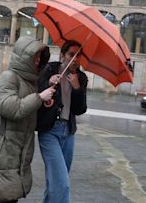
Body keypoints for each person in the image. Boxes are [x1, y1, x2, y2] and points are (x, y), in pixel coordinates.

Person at [0, 36, 55, 203]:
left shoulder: (30, 82)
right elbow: (9, 107)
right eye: (35, 56)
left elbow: (26, 108)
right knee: (7, 193)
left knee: (11, 192)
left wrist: (43, 101)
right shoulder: (9, 77)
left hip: (17, 144)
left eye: (40, 57)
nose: (38, 61)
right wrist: (38, 97)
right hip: (4, 143)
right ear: (24, 56)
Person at [36, 40, 88, 203]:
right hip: (50, 131)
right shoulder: (50, 69)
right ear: (63, 55)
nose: (75, 59)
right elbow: (37, 91)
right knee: (62, 184)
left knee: (56, 182)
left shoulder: (81, 77)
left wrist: (77, 87)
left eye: (78, 55)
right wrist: (48, 82)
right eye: (71, 54)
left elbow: (80, 109)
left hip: (69, 133)